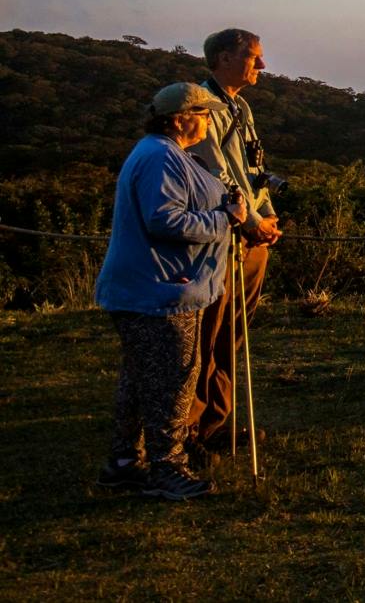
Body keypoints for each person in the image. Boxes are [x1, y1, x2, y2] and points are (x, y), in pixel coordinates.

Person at [94, 83, 247, 500]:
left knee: (141, 379)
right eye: (203, 113)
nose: (208, 120)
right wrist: (226, 219)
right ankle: (167, 468)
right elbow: (166, 221)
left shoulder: (164, 154)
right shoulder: (160, 157)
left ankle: (125, 462)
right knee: (173, 380)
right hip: (159, 290)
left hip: (153, 287)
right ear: (180, 118)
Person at [184, 27, 282, 458]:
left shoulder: (239, 107)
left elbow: (251, 167)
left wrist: (268, 210)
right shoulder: (203, 108)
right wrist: (251, 221)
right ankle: (186, 432)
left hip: (253, 232)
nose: (261, 65)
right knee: (207, 334)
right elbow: (217, 173)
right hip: (222, 237)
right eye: (253, 56)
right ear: (224, 58)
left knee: (232, 333)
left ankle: (216, 424)